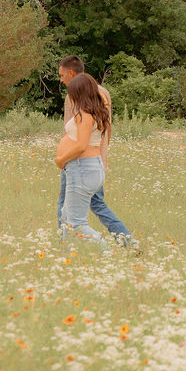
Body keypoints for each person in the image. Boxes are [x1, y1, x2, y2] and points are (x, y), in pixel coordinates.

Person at [56, 55, 134, 246]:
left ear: (71, 73)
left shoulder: (77, 95)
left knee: (69, 209)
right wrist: (102, 158)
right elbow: (107, 127)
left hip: (79, 163)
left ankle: (67, 246)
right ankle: (127, 241)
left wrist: (62, 158)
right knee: (93, 205)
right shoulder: (102, 92)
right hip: (93, 161)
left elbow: (72, 129)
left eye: (62, 75)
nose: (61, 79)